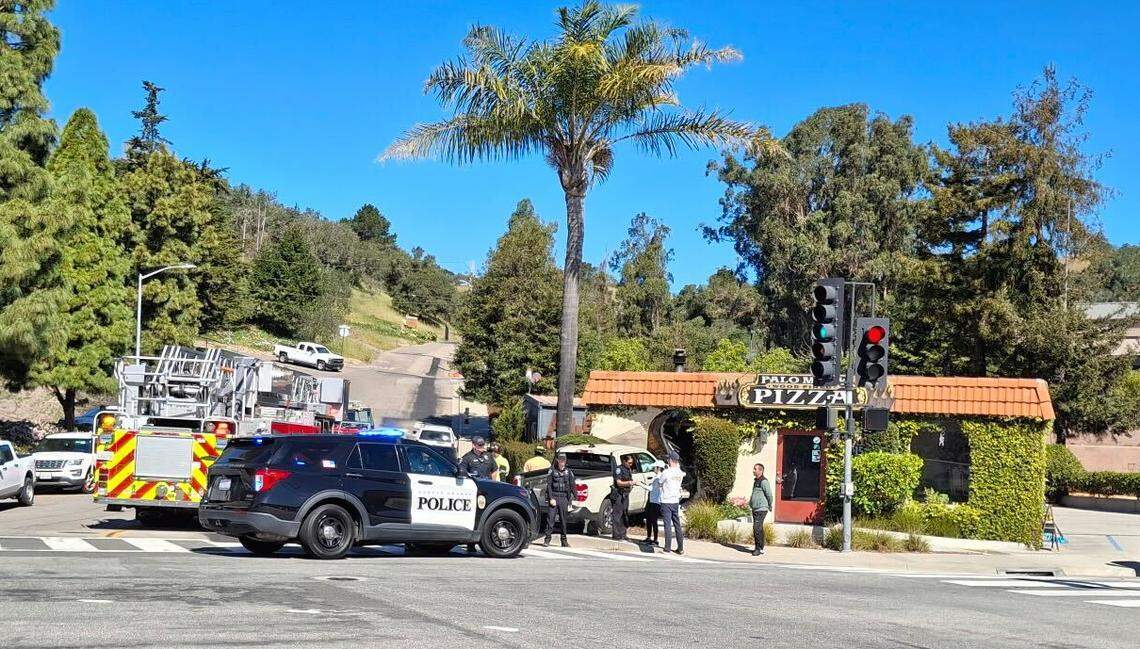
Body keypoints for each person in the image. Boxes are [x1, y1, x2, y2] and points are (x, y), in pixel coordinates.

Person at [457, 436, 497, 552]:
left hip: (487, 489)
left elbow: (494, 469)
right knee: (475, 514)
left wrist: (493, 483)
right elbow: (461, 472)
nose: (481, 448)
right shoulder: (467, 458)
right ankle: (471, 543)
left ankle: (485, 539)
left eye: (482, 445)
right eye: (479, 445)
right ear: (474, 445)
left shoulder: (488, 456)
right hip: (474, 490)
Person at [542, 452, 575, 547]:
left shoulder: (569, 472)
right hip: (554, 497)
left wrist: (573, 499)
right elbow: (549, 485)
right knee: (550, 519)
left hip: (564, 498)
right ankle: (547, 539)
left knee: (564, 521)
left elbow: (572, 486)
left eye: (563, 460)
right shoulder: (552, 471)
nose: (562, 462)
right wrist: (551, 498)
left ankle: (564, 541)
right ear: (557, 460)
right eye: (560, 460)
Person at [658, 452, 686, 554]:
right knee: (677, 525)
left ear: (670, 460)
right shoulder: (680, 472)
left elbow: (660, 482)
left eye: (668, 459)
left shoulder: (666, 472)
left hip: (666, 500)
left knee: (667, 525)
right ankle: (681, 548)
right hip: (675, 501)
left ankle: (667, 548)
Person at [749, 463, 774, 556]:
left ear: (761, 470)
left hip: (762, 508)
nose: (753, 470)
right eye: (754, 469)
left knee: (757, 528)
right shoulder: (756, 481)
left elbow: (769, 495)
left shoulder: (764, 481)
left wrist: (770, 505)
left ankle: (758, 548)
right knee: (758, 528)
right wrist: (751, 503)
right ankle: (761, 546)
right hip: (755, 508)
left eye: (755, 469)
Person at [610, 454, 635, 541]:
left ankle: (623, 534)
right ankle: (616, 535)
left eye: (632, 463)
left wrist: (631, 485)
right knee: (617, 514)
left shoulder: (628, 469)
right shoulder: (618, 469)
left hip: (626, 494)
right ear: (624, 461)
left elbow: (630, 479)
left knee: (624, 514)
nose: (631, 464)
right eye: (629, 463)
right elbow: (619, 482)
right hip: (619, 494)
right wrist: (629, 483)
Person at [642, 460, 665, 545]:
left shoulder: (659, 478)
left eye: (655, 467)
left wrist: (640, 484)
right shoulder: (656, 476)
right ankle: (649, 537)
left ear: (658, 468)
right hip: (651, 500)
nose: (653, 468)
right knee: (649, 520)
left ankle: (655, 539)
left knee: (653, 521)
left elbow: (651, 488)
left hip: (656, 502)